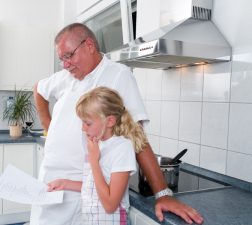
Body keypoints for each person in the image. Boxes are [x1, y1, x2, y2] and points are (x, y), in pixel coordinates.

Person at [31, 22, 203, 225]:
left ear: (89, 45)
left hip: (81, 191)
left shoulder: (118, 75)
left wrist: (163, 193)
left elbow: (136, 136)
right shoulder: (66, 77)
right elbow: (38, 89)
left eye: (69, 56)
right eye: (62, 59)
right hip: (51, 181)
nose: (66, 64)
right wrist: (48, 126)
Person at [47, 86, 147, 224]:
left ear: (110, 121)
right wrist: (65, 183)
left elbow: (110, 205)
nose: (83, 128)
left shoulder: (122, 148)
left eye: (87, 123)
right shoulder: (98, 143)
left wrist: (94, 160)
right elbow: (93, 186)